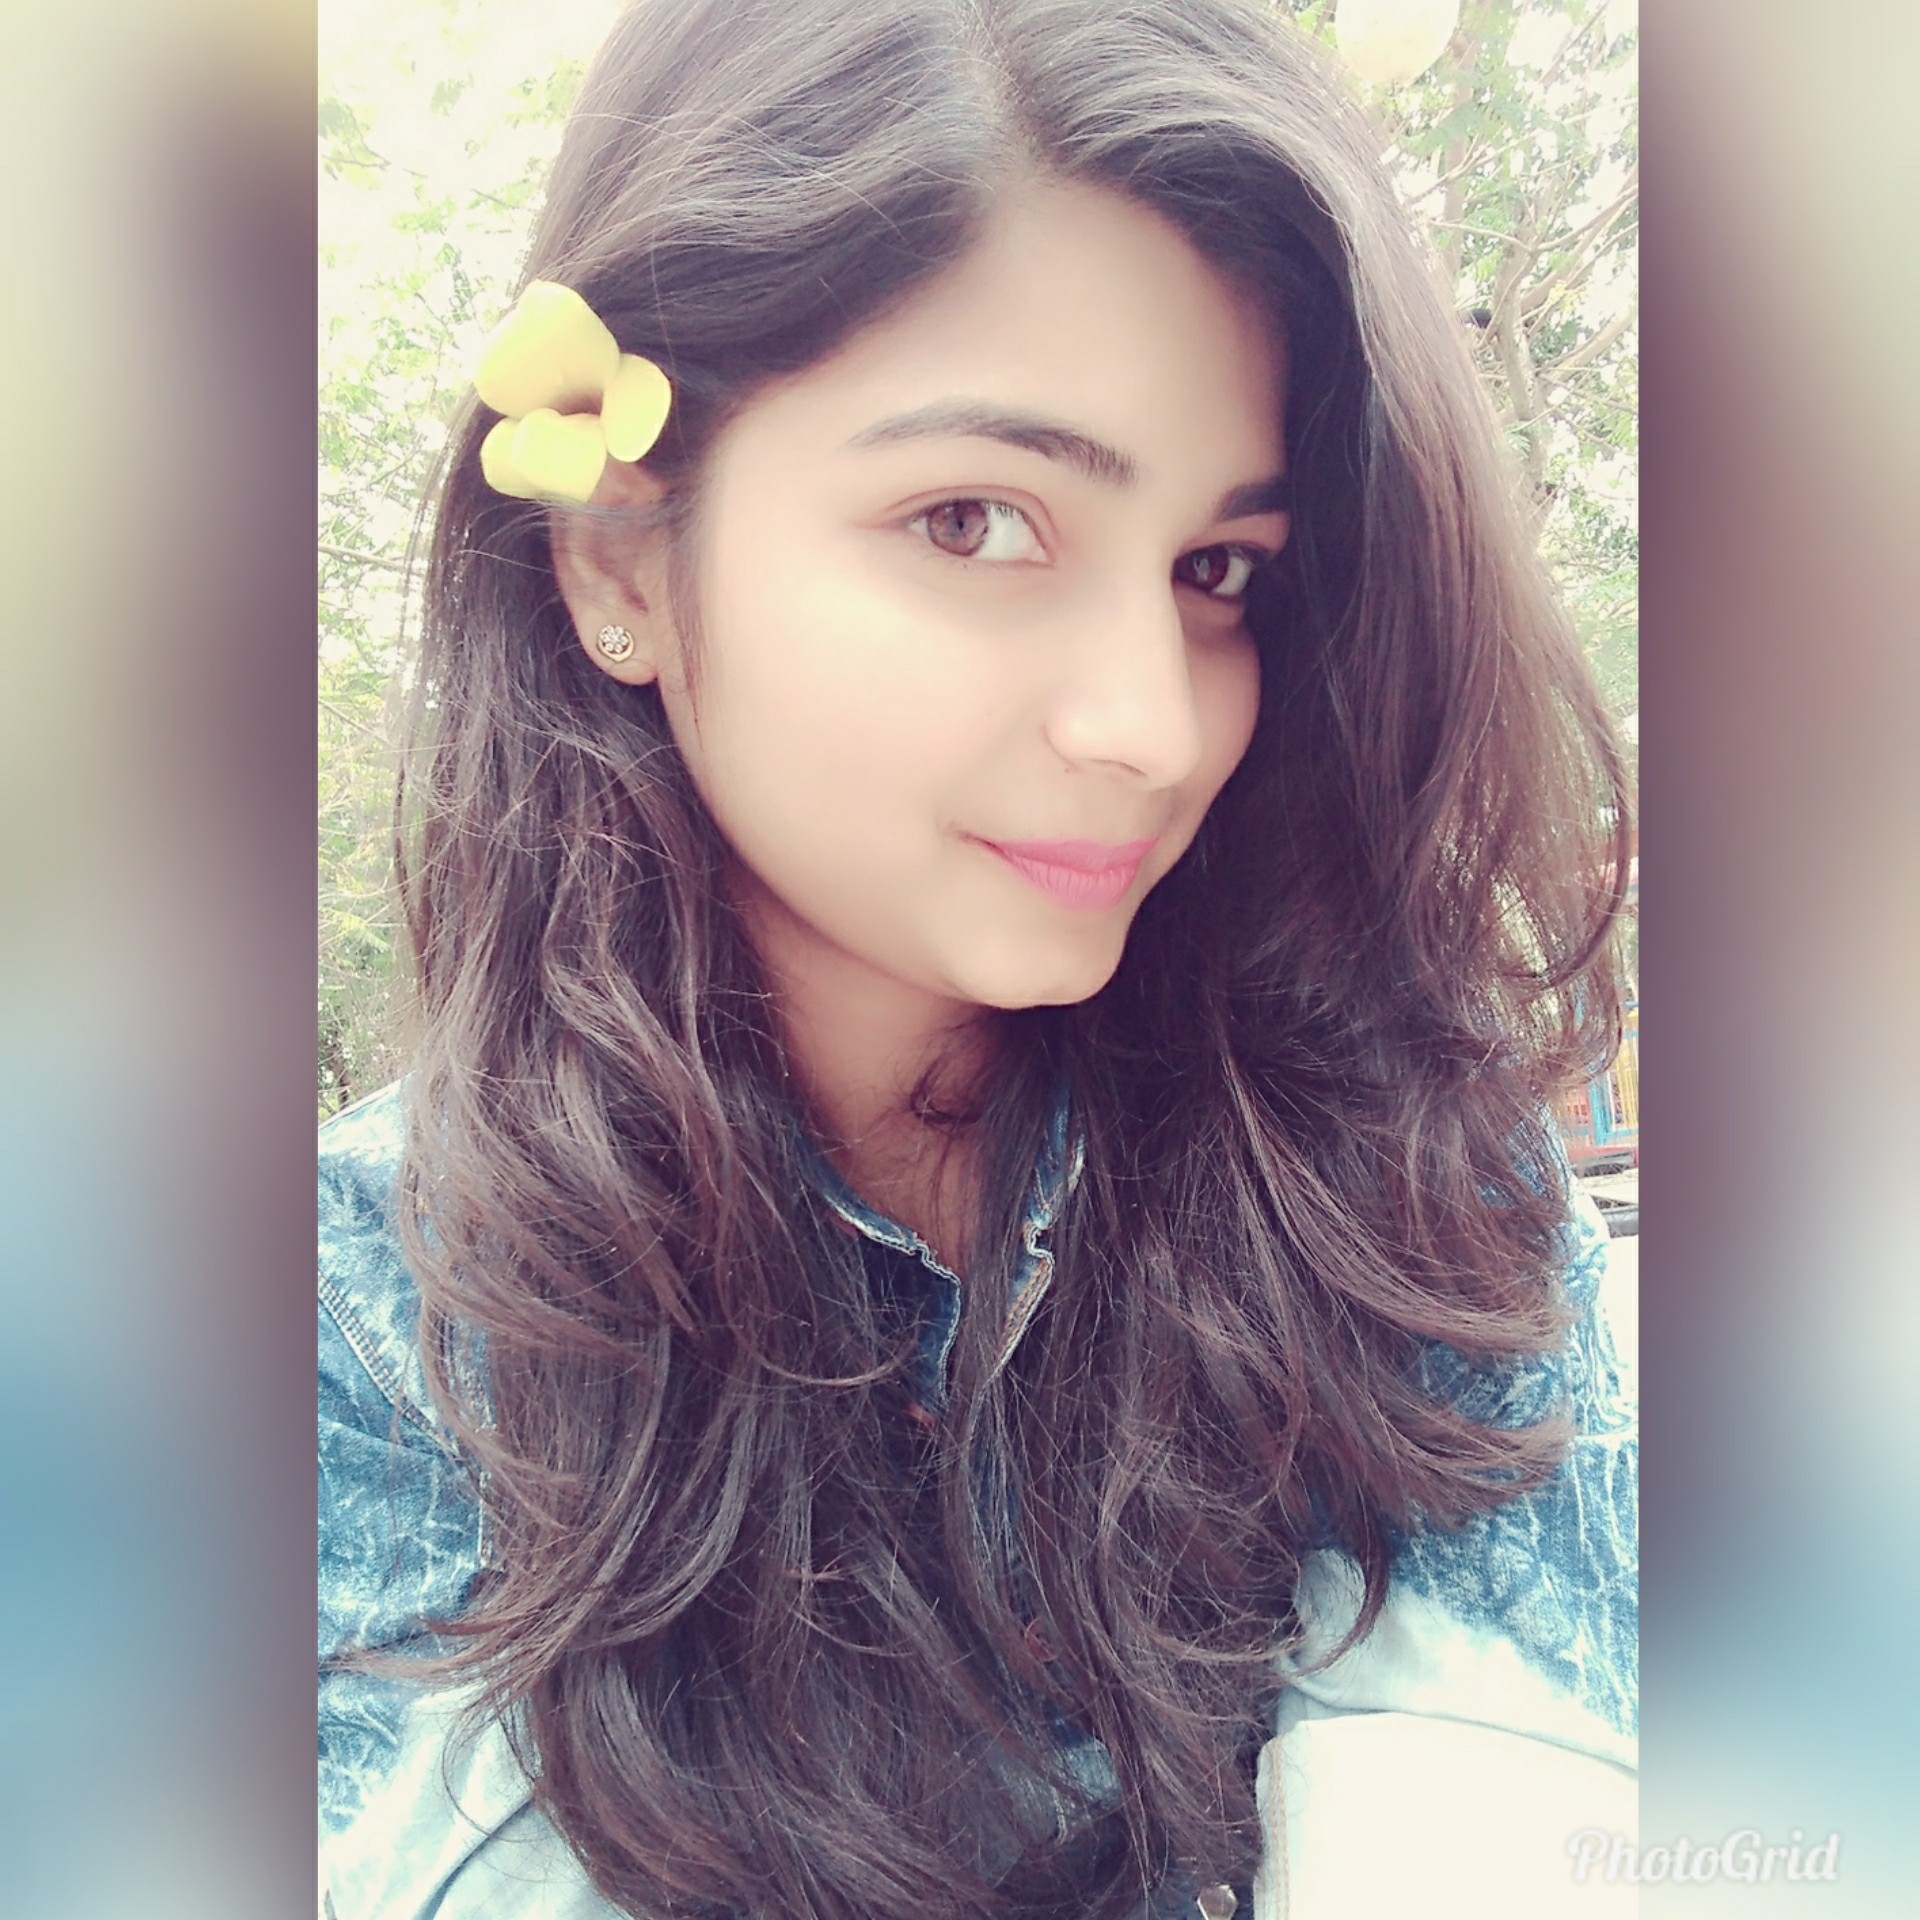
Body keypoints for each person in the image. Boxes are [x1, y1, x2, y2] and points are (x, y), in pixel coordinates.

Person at [318, 0, 1637, 1914]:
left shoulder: (1400, 1186)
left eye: (1219, 572)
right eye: (973, 520)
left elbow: (1542, 1808)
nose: (1153, 726)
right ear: (618, 559)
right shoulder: (346, 1338)